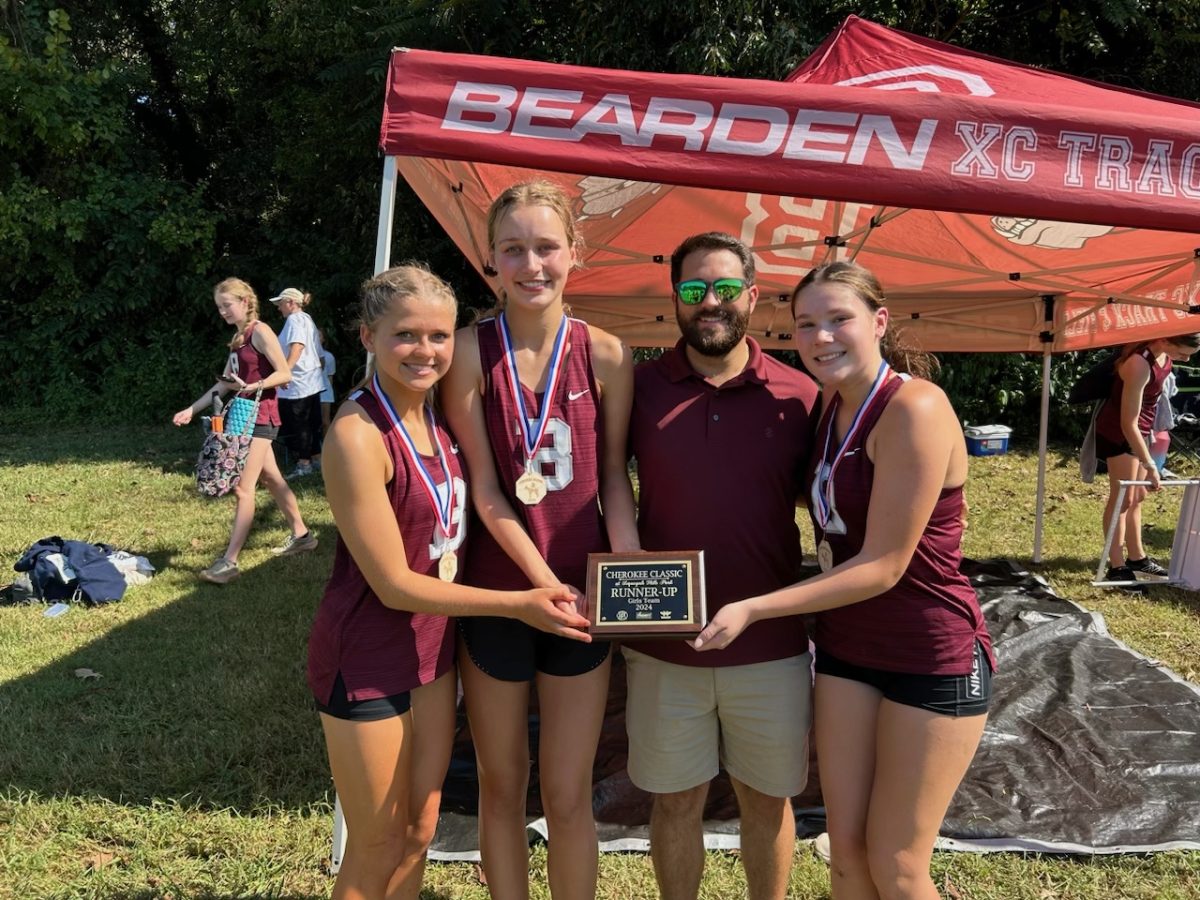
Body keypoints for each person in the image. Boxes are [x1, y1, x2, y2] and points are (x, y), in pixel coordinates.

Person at [693, 261, 995, 900]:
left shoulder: (914, 406)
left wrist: (755, 607)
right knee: (846, 856)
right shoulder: (829, 405)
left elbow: (885, 564)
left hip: (929, 653)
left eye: (839, 320)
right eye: (807, 325)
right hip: (846, 651)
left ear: (879, 322)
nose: (822, 337)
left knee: (899, 864)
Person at [307, 265, 592, 900]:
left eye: (439, 336)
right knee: (375, 843)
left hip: (431, 652)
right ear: (367, 338)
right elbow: (393, 586)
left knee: (419, 829)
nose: (426, 351)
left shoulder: (437, 421)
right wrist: (519, 604)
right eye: (405, 335)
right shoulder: (357, 435)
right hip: (367, 655)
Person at [441, 180, 640, 900]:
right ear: (490, 259)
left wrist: (628, 564)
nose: (532, 264)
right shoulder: (467, 352)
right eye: (513, 248)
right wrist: (535, 588)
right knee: (503, 784)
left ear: (574, 253)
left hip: (584, 604)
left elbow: (614, 477)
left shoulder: (610, 355)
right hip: (501, 595)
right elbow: (487, 490)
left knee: (568, 791)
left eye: (546, 246)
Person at [625, 232, 819, 900]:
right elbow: (602, 483)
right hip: (664, 645)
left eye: (726, 289)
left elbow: (831, 508)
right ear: (673, 299)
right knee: (674, 803)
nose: (710, 302)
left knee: (765, 803)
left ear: (753, 298)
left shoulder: (802, 395)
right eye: (693, 289)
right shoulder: (638, 389)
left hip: (769, 645)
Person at [172, 277, 318, 584]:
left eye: (226, 305)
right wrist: (191, 409)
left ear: (245, 302)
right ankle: (303, 536)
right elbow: (224, 383)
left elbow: (284, 374)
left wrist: (256, 386)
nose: (222, 311)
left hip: (262, 418)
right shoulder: (239, 338)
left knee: (243, 488)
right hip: (244, 418)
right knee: (273, 478)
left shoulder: (260, 331)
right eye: (219, 307)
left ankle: (229, 562)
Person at [1095, 336, 1200, 589]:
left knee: (1138, 496)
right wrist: (1151, 464)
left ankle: (1137, 558)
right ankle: (1117, 566)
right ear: (1165, 341)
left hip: (1142, 432)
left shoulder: (1164, 356)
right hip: (1120, 434)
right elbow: (1127, 422)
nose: (1187, 360)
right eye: (1184, 354)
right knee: (1122, 498)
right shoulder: (1138, 364)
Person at [271, 287, 325, 479]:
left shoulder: (294, 320)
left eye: (281, 304)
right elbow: (317, 352)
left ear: (291, 303)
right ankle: (316, 459)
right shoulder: (307, 318)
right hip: (312, 380)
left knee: (299, 424)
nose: (279, 308)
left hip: (298, 383)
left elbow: (297, 346)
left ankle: (304, 464)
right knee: (312, 422)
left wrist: (285, 373)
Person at [318, 328, 338, 434]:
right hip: (310, 393)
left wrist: (329, 394)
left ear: (323, 339)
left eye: (319, 335)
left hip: (325, 393)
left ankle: (327, 446)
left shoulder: (329, 356)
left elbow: (330, 376)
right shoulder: (305, 355)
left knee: (325, 421)